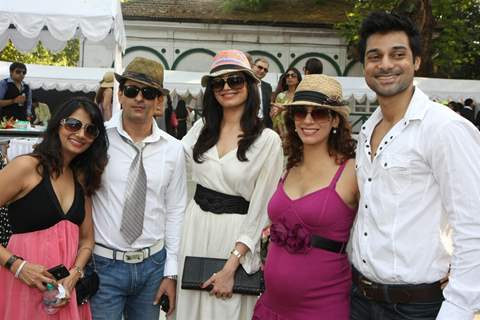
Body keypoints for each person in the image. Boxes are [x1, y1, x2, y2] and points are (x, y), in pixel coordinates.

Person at [350, 11, 480, 320]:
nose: (385, 65)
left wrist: (458, 308)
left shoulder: (444, 129)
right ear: (365, 66)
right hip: (360, 299)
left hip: (417, 308)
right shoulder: (367, 129)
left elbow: (473, 224)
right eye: (374, 56)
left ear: (416, 61)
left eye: (398, 54)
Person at [174, 49, 283, 320]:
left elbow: (261, 210)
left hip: (235, 237)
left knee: (225, 311)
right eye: (218, 82)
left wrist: (231, 266)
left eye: (234, 80)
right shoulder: (201, 129)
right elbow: (170, 160)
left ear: (249, 85)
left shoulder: (267, 140)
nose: (226, 87)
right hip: (195, 228)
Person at [252, 74, 358, 320]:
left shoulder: (352, 171)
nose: (308, 120)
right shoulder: (289, 166)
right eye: (301, 112)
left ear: (334, 120)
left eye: (319, 113)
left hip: (321, 309)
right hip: (270, 307)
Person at [89, 57, 187, 320]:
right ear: (120, 95)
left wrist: (171, 272)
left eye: (149, 92)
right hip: (103, 265)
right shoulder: (98, 140)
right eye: (132, 90)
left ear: (159, 102)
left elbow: (176, 211)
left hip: (152, 267)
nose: (139, 98)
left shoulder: (174, 149)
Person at [0, 97, 108, 319]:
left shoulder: (81, 177)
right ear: (58, 123)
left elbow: (87, 240)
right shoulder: (26, 167)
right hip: (21, 286)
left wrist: (74, 275)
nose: (80, 134)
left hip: (64, 294)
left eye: (90, 130)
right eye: (73, 124)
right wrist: (17, 266)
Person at [271, 67, 302, 137]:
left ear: (298, 79)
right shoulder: (280, 96)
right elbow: (276, 116)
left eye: (293, 75)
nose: (290, 77)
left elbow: (301, 112)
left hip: (298, 131)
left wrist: (285, 109)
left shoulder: (300, 96)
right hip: (282, 132)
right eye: (287, 76)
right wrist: (281, 132)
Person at [252, 57, 273, 128]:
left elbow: (267, 108)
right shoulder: (243, 83)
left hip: (263, 126)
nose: (262, 71)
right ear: (252, 66)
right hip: (246, 125)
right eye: (260, 67)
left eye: (265, 70)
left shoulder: (267, 87)